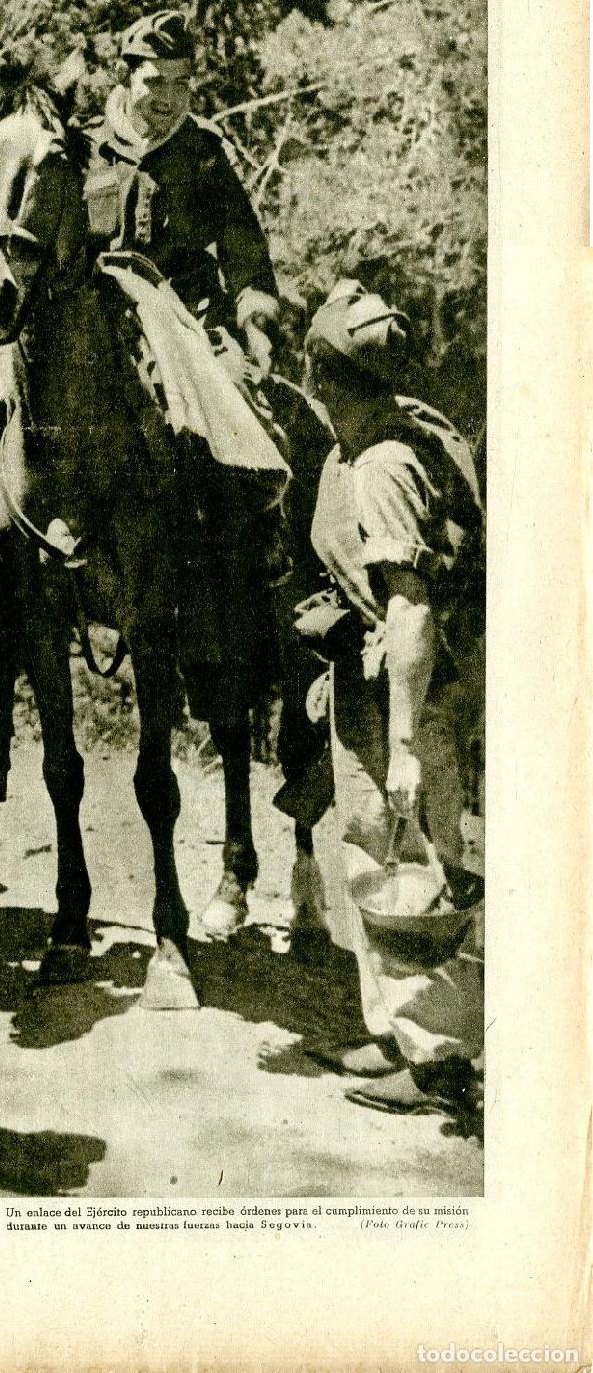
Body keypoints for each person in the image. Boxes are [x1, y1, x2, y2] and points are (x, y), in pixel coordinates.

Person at [300, 280, 485, 1118]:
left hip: (408, 701)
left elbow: (411, 611)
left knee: (418, 864)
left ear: (321, 378)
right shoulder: (376, 442)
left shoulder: (382, 465)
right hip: (369, 688)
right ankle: (397, 1031)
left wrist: (408, 742)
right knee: (376, 855)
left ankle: (440, 1060)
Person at [85, 10, 280, 376]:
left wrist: (256, 322)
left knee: (235, 401)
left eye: (181, 84)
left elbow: (245, 253)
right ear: (124, 76)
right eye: (156, 82)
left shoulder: (204, 152)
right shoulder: (87, 150)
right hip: (101, 328)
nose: (169, 98)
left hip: (191, 323)